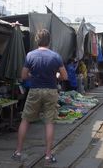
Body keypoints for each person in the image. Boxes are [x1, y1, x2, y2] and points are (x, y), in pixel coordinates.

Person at [11, 29, 68, 164]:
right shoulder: (56, 56)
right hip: (51, 91)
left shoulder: (30, 55)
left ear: (37, 40)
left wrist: (33, 75)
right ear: (49, 41)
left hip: (35, 91)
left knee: (25, 120)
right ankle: (48, 155)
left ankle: (18, 152)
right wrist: (56, 76)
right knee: (49, 122)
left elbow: (24, 75)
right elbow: (64, 76)